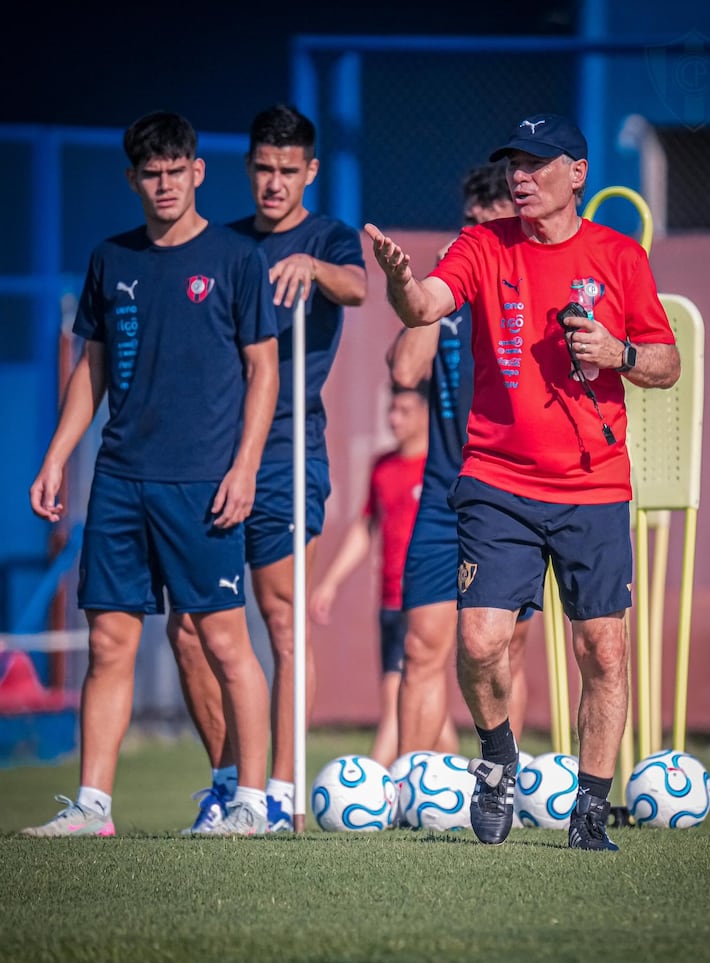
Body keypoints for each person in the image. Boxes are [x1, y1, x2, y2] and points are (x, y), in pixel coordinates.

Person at [365, 113, 680, 851]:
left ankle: (591, 811)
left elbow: (666, 363)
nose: (520, 176)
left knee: (603, 650)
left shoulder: (620, 255)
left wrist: (618, 350)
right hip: (497, 479)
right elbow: (426, 307)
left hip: (594, 485)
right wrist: (402, 284)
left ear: (578, 172)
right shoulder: (482, 246)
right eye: (513, 162)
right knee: (478, 642)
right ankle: (499, 760)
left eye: (538, 163)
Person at [21, 111, 279, 837]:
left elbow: (263, 372)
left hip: (204, 484)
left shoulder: (235, 258)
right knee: (109, 642)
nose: (164, 185)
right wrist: (56, 456)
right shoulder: (111, 259)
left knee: (224, 641)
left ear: (198, 172)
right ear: (132, 179)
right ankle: (93, 808)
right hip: (121, 481)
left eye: (177, 172)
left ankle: (251, 804)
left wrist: (246, 466)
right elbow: (90, 368)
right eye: (151, 174)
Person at [166, 104, 367, 833]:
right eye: (263, 169)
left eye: (288, 170)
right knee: (187, 627)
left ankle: (278, 792)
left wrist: (314, 267)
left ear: (310, 171)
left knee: (281, 617)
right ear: (246, 168)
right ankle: (232, 786)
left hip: (287, 451)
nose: (274, 183)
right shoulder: (221, 244)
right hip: (207, 452)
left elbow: (359, 288)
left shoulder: (329, 237)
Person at [388, 162, 535, 758]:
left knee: (505, 651)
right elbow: (404, 370)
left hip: (510, 499)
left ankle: (502, 780)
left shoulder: (527, 291)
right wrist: (442, 279)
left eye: (488, 221)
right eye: (468, 221)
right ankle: (407, 784)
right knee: (422, 644)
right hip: (445, 495)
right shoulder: (448, 291)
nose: (474, 230)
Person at [309, 380, 456, 766]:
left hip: (428, 600)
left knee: (397, 696)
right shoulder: (383, 467)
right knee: (425, 702)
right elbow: (364, 527)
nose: (394, 419)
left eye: (404, 411)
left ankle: (379, 785)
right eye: (391, 410)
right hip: (389, 601)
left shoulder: (441, 470)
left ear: (427, 414)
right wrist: (330, 583)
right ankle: (458, 781)